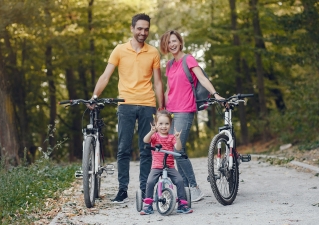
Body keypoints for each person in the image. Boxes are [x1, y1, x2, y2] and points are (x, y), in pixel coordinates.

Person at [89, 13, 164, 203]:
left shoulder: (153, 52)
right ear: (132, 29)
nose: (143, 32)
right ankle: (122, 190)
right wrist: (94, 96)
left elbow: (157, 82)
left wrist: (161, 106)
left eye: (146, 29)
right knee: (123, 149)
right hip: (126, 104)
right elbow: (106, 76)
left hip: (148, 104)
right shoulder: (119, 50)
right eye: (139, 28)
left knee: (146, 148)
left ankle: (145, 189)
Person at [159, 30, 225, 202]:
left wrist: (216, 94)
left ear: (180, 42)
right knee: (174, 150)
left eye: (174, 41)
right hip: (171, 110)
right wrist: (163, 110)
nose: (171, 44)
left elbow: (201, 79)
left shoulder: (188, 59)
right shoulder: (169, 64)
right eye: (168, 42)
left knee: (176, 149)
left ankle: (194, 187)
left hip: (185, 110)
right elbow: (168, 89)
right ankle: (186, 188)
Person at [141, 110, 193, 215]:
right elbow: (145, 140)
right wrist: (151, 132)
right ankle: (148, 204)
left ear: (170, 124)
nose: (163, 126)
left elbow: (178, 148)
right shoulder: (154, 136)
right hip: (156, 166)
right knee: (150, 182)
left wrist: (178, 139)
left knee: (179, 180)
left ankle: (182, 204)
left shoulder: (171, 137)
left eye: (167, 124)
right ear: (155, 124)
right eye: (160, 124)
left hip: (169, 166)